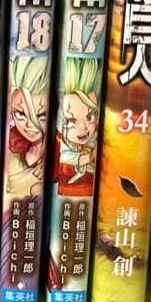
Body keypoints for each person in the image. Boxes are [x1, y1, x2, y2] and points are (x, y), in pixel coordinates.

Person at [5, 55, 50, 198]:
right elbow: (13, 185)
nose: (29, 125)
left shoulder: (58, 150)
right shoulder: (12, 144)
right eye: (20, 114)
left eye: (41, 115)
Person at [55, 57, 101, 197]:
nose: (83, 128)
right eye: (71, 121)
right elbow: (66, 157)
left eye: (90, 117)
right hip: (66, 191)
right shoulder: (61, 142)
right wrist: (90, 156)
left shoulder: (95, 136)